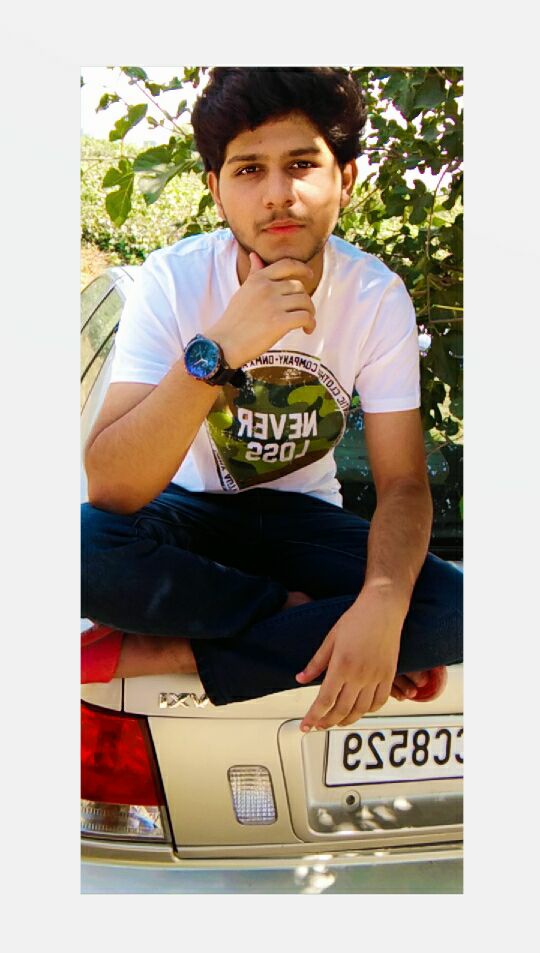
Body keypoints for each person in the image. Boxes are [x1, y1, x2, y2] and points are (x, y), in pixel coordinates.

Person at [81, 67, 462, 734]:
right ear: (217, 191)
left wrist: (382, 602)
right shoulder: (173, 281)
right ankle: (297, 620)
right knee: (75, 549)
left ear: (345, 178)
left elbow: (403, 484)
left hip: (304, 523)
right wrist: (221, 346)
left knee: (464, 609)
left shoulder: (375, 296)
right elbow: (112, 487)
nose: (278, 194)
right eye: (249, 170)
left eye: (302, 165)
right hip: (187, 514)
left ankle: (182, 648)